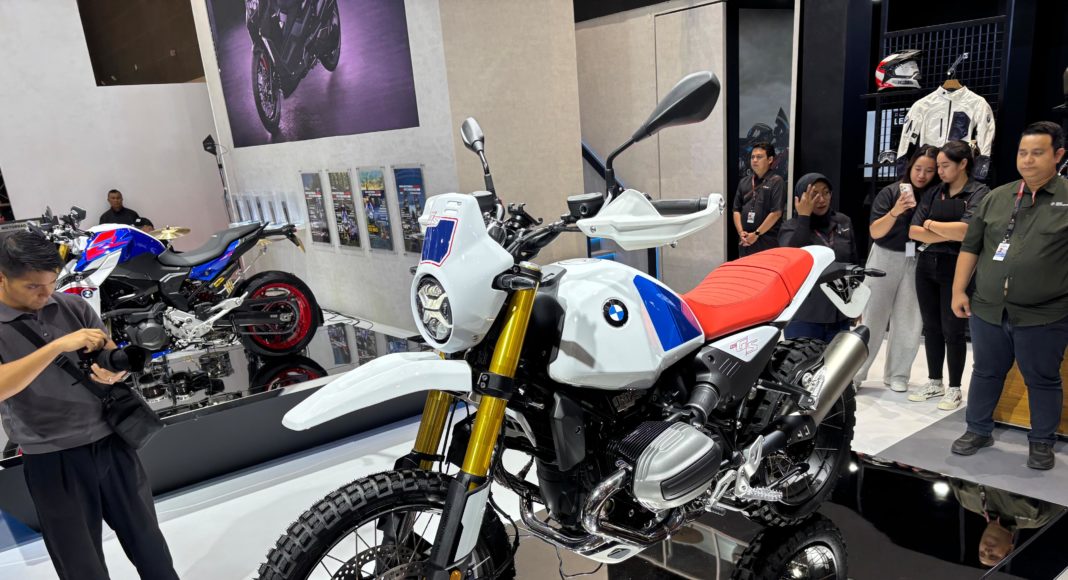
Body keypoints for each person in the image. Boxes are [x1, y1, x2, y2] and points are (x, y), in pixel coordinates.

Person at [0, 231, 178, 579]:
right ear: (2, 278)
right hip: (52, 457)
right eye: (33, 286)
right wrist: (56, 347)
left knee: (149, 545)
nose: (46, 294)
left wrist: (114, 372)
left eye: (51, 283)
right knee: (80, 563)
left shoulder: (73, 307)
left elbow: (111, 356)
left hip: (112, 442)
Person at [950, 121, 1068, 470]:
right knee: (986, 371)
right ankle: (977, 429)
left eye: (1037, 153)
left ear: (1058, 155)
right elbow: (971, 247)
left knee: (1042, 379)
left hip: (1044, 314)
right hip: (988, 309)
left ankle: (1042, 441)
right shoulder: (997, 197)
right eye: (1022, 152)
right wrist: (958, 290)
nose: (1027, 160)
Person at [907, 141, 990, 410]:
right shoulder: (934, 192)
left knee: (953, 330)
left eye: (945, 166)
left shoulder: (979, 192)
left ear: (963, 164)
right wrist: (947, 231)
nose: (939, 171)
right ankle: (934, 381)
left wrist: (931, 225)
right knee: (931, 327)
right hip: (926, 265)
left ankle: (954, 387)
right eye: (938, 166)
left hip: (958, 267)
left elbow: (967, 232)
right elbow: (913, 231)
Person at [855, 145, 940, 392]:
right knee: (873, 317)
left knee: (910, 318)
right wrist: (896, 211)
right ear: (910, 167)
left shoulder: (934, 196)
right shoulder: (890, 192)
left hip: (916, 258)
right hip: (884, 256)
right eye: (918, 168)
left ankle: (898, 374)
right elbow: (875, 232)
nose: (922, 175)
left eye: (929, 170)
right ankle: (855, 374)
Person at [779, 173, 858, 341]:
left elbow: (853, 263)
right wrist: (804, 218)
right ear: (800, 198)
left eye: (826, 192)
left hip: (839, 313)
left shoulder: (843, 222)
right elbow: (794, 261)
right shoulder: (790, 227)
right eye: (813, 194)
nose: (821, 199)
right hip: (805, 316)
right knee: (801, 358)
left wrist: (855, 302)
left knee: (837, 358)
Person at [733, 142, 786, 257]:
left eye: (759, 157)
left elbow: (776, 213)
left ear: (770, 159)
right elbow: (736, 210)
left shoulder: (776, 181)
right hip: (745, 241)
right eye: (752, 157)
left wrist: (756, 234)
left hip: (767, 242)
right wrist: (741, 232)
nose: (755, 160)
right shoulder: (744, 182)